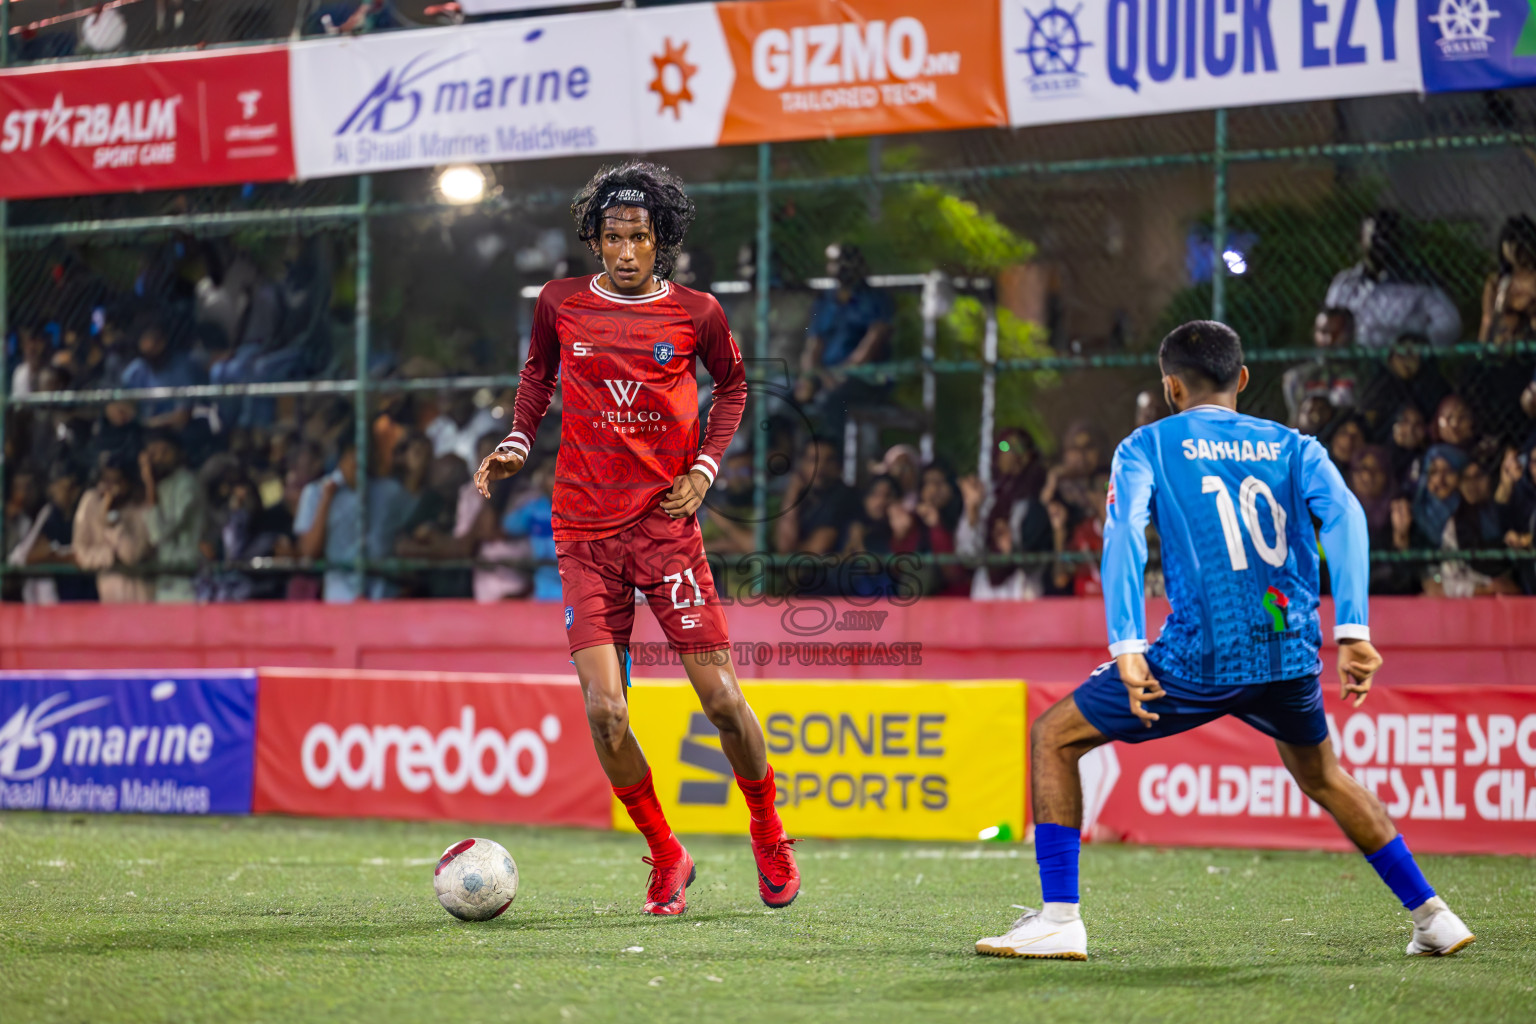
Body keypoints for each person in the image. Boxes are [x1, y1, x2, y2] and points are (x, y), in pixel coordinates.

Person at [977, 320, 1474, 961]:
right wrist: (1354, 630)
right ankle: (1433, 915)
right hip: (1288, 651)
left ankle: (1060, 919)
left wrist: (1127, 644)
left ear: (1171, 387)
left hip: (1197, 657)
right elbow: (1347, 515)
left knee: (1052, 737)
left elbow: (1123, 533)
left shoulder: (1146, 446)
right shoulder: (1298, 447)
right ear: (1242, 378)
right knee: (1323, 774)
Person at [473, 161, 799, 917]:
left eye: (640, 238)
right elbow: (536, 378)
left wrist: (708, 469)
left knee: (720, 699)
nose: (625, 251)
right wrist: (520, 439)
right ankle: (665, 853)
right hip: (583, 532)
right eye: (613, 237)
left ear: (662, 244)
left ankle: (767, 829)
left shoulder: (697, 313)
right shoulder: (559, 304)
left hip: (665, 531)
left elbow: (737, 387)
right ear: (594, 240)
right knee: (606, 712)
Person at [294, 439, 414, 602]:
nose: (360, 464)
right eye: (353, 458)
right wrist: (327, 498)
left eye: (365, 457)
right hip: (340, 601)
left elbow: (413, 530)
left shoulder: (390, 492)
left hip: (384, 600)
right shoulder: (315, 492)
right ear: (341, 459)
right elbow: (309, 552)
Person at [1324, 210, 1461, 349]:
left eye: (1386, 236)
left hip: (1398, 363)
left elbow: (1449, 326)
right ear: (1361, 241)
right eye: (1374, 236)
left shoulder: (1419, 284)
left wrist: (1414, 346)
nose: (1380, 243)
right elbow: (1328, 321)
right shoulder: (1345, 283)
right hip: (1352, 361)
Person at [72, 454, 153, 603]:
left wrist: (112, 520)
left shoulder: (141, 506)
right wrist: (109, 556)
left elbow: (132, 556)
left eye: (117, 481)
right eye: (106, 480)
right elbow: (79, 552)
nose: (111, 487)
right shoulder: (91, 501)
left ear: (128, 481)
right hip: (108, 596)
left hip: (140, 597)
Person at [140, 428, 205, 602]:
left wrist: (149, 484)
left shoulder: (186, 484)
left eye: (165, 452)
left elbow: (158, 534)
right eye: (153, 453)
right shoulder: (159, 485)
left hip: (187, 583)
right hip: (164, 582)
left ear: (177, 453)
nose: (159, 458)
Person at [1281, 307, 1358, 420]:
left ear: (1350, 334)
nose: (1330, 339)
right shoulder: (1297, 376)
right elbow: (1295, 422)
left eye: (1337, 333)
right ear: (1314, 332)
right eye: (1323, 332)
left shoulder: (1363, 373)